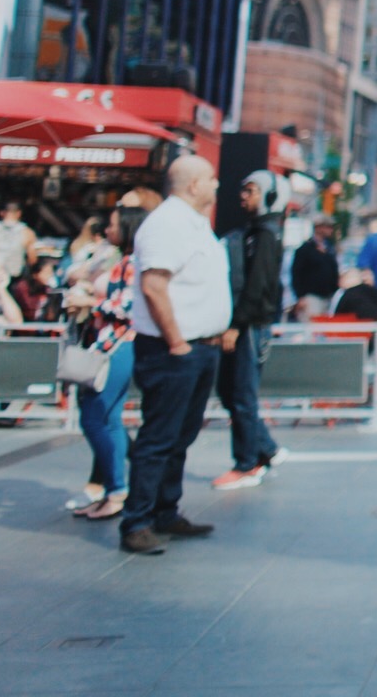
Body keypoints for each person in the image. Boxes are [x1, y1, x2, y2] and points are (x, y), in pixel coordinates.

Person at [121, 155, 232, 556]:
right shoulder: (166, 224)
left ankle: (165, 511)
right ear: (192, 186)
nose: (217, 185)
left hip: (200, 346)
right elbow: (154, 286)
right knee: (159, 437)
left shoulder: (195, 224)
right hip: (174, 350)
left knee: (180, 436)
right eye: (210, 179)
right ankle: (137, 521)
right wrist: (177, 343)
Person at [62, 202, 150, 521]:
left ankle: (115, 491)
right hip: (112, 345)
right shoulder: (124, 261)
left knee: (95, 417)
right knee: (107, 419)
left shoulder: (133, 263)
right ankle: (113, 491)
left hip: (118, 346)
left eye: (113, 225)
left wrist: (90, 302)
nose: (107, 230)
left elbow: (129, 308)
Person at [211, 172, 286, 491]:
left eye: (251, 191)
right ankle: (265, 449)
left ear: (270, 196)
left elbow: (256, 288)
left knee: (241, 394)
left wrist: (235, 326)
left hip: (251, 327)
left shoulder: (266, 235)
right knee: (232, 392)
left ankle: (247, 462)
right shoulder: (254, 233)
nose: (244, 196)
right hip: (247, 324)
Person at [289, 217, 340, 319]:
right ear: (319, 228)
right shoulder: (305, 249)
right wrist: (300, 296)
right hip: (311, 297)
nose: (331, 230)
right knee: (311, 328)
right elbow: (296, 273)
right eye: (328, 227)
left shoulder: (329, 249)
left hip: (328, 296)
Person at [0, 199, 36, 278]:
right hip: (15, 276)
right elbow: (32, 258)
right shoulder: (27, 233)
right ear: (19, 213)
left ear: (2, 213)